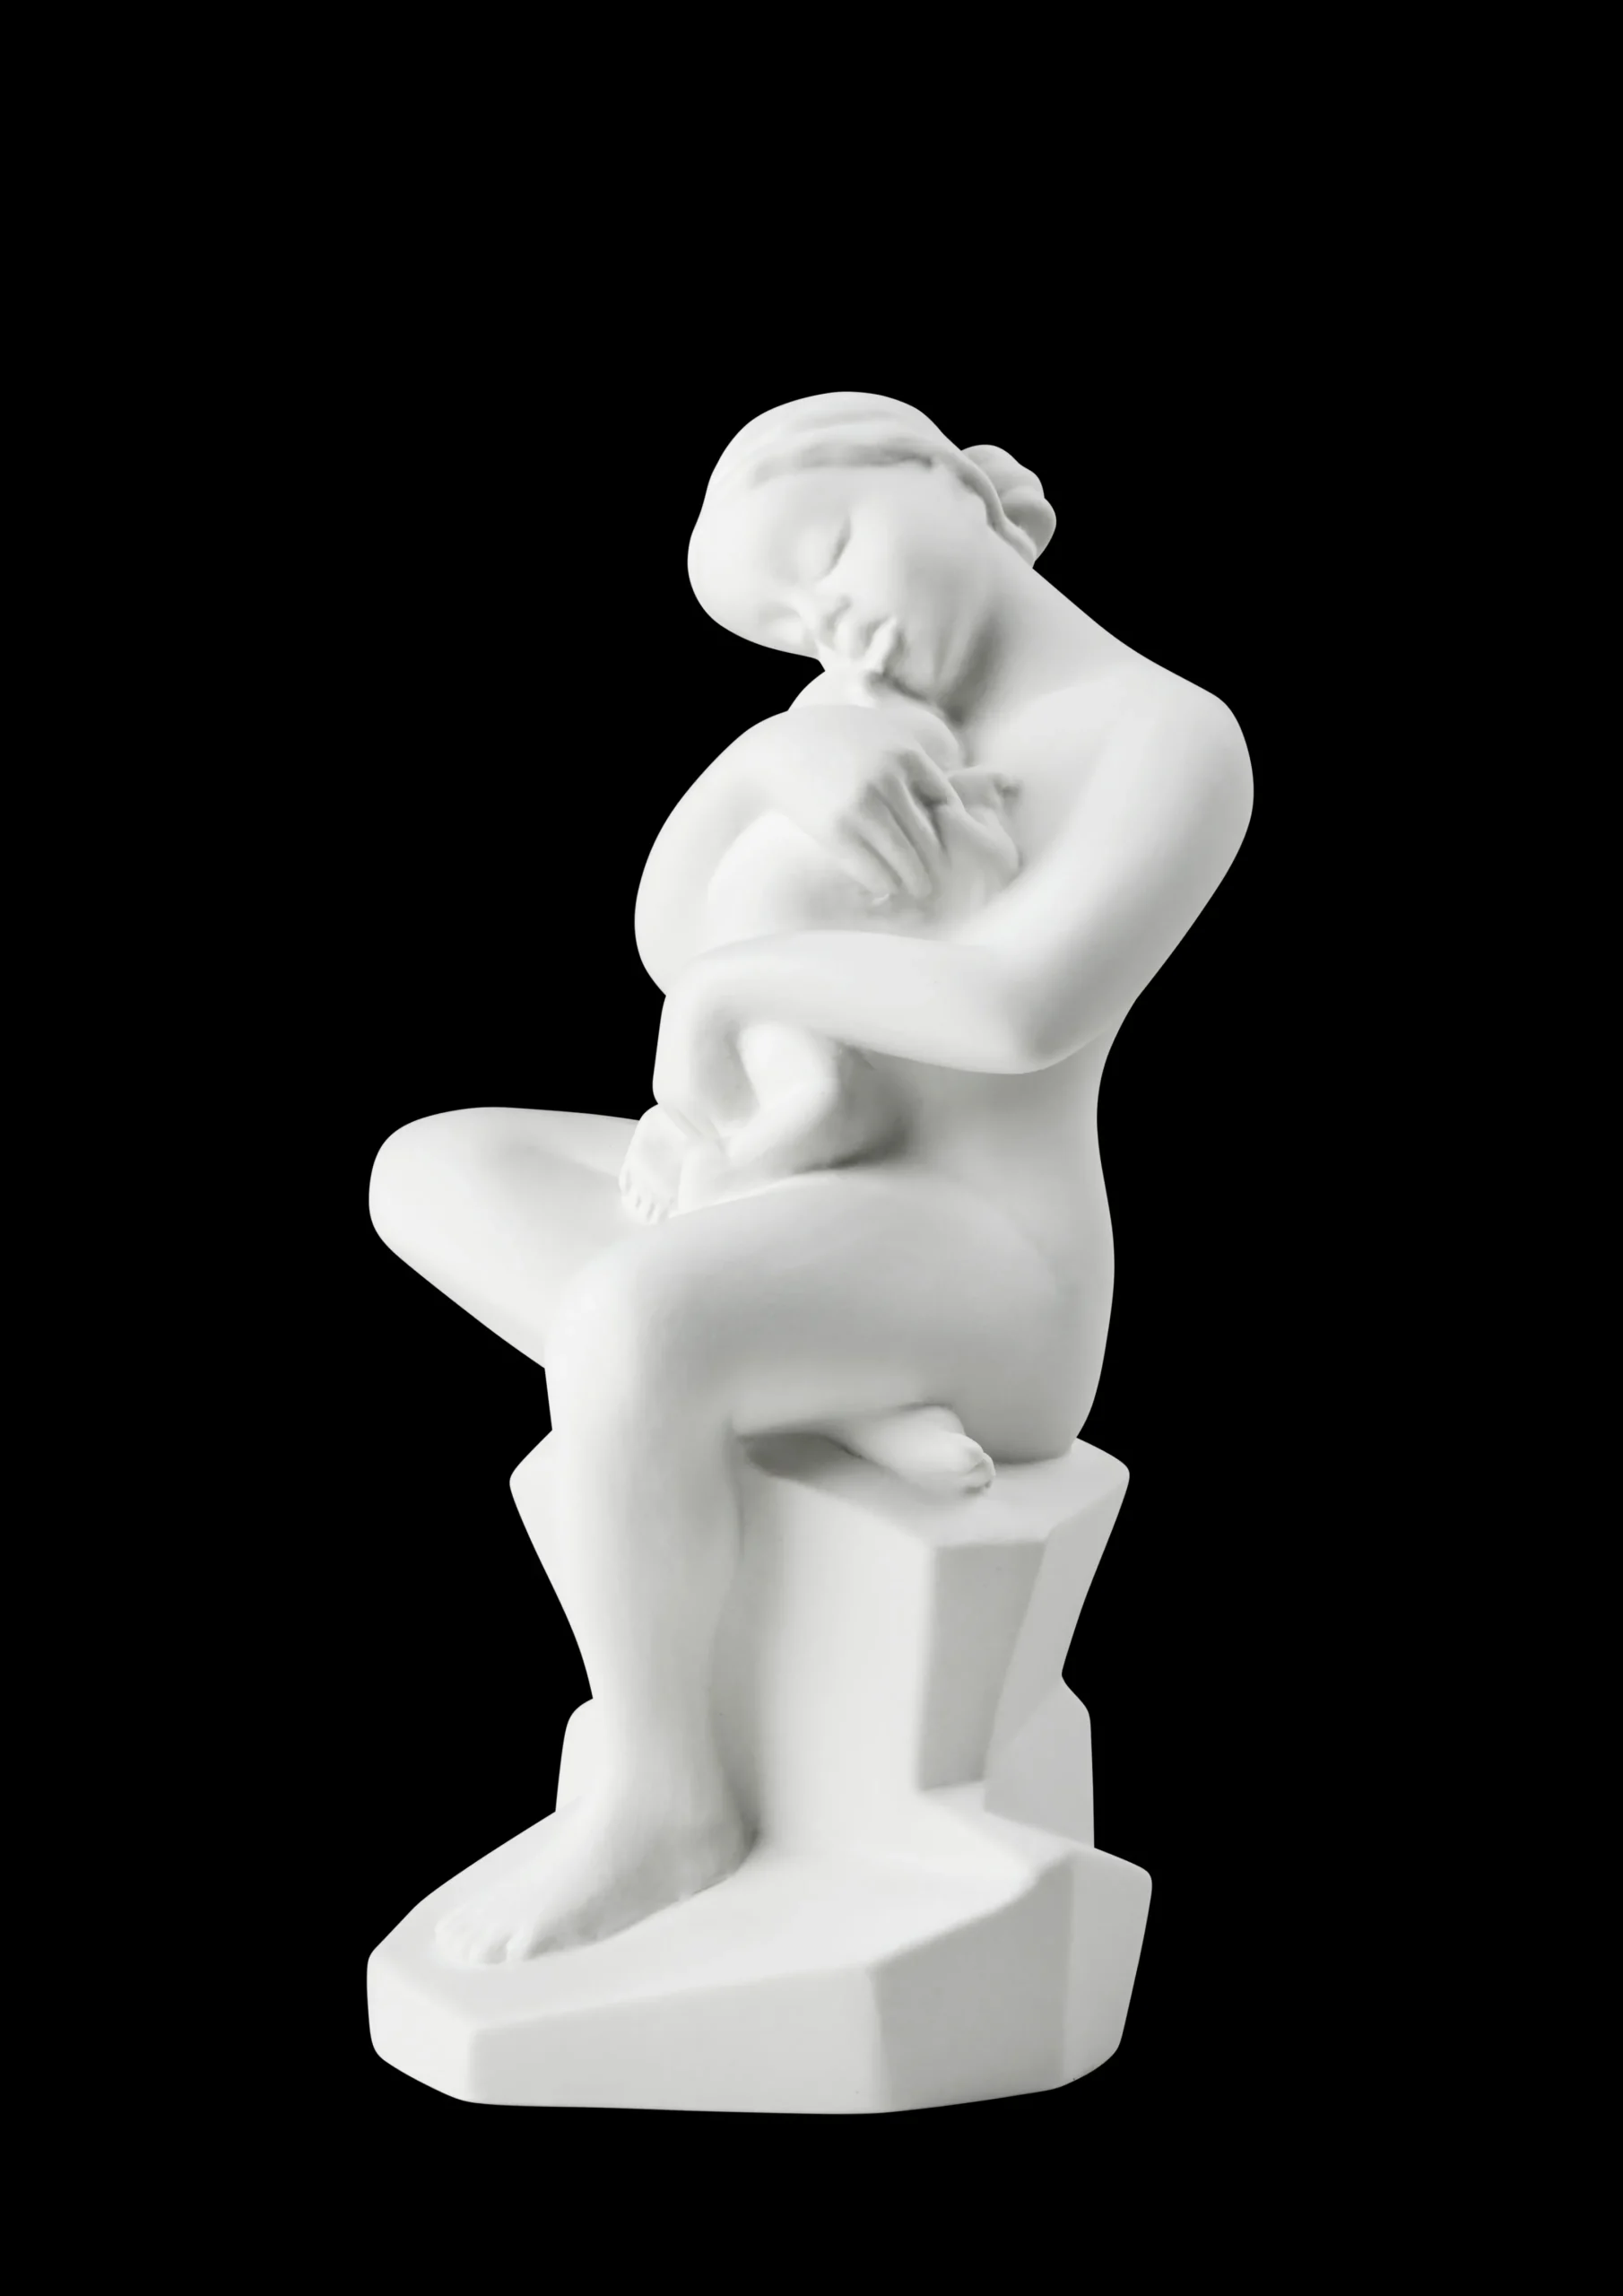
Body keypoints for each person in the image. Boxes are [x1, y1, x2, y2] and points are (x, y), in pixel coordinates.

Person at [369, 391, 1253, 1963]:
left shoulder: (1163, 734)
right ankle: (818, 1383)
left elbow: (1017, 1006)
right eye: (785, 622)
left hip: (987, 1260)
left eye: (829, 553)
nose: (828, 623)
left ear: (948, 482)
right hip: (793, 1197)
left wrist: (732, 998)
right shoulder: (844, 716)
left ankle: (667, 1798)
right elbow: (666, 935)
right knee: (434, 1166)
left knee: (632, 1321)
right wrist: (771, 762)